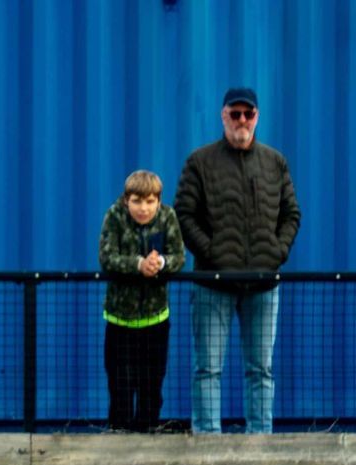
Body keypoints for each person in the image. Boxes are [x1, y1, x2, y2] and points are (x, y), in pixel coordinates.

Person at [175, 88, 300, 434]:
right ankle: (207, 443)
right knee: (208, 369)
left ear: (257, 117)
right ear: (223, 116)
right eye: (235, 114)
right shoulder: (200, 162)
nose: (242, 120)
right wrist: (214, 254)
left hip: (263, 285)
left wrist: (276, 253)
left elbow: (291, 214)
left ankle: (259, 444)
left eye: (248, 114)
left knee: (261, 369)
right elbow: (184, 214)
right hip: (212, 284)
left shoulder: (275, 162)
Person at [98, 169, 185, 432]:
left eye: (150, 201)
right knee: (120, 388)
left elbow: (179, 256)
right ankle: (119, 440)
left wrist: (162, 263)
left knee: (151, 387)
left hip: (156, 322)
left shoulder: (168, 217)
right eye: (137, 201)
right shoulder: (114, 216)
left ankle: (148, 440)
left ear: (158, 201)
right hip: (119, 322)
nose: (143, 208)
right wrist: (138, 265)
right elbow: (107, 258)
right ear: (127, 200)